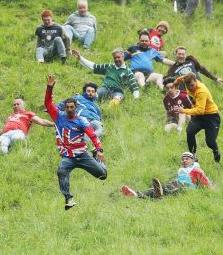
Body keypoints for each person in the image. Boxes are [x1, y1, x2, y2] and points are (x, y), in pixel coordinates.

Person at [45, 75, 107, 210]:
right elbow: (48, 103)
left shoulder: (82, 121)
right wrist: (50, 88)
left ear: (76, 107)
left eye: (71, 107)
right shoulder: (58, 116)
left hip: (82, 155)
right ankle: (68, 198)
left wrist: (99, 150)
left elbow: (92, 135)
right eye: (67, 107)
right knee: (61, 171)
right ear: (64, 108)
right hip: (68, 156)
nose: (69, 109)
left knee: (102, 175)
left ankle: (100, 162)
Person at [121, 152, 212, 199]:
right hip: (177, 183)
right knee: (164, 187)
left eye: (187, 159)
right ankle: (136, 194)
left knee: (171, 189)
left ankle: (159, 194)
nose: (184, 160)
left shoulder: (196, 170)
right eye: (183, 159)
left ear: (193, 161)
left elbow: (207, 184)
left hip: (187, 187)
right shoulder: (182, 171)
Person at [173, 73, 220, 162]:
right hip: (199, 117)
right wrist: (176, 82)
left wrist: (183, 110)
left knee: (210, 142)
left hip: (211, 116)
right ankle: (193, 156)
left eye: (192, 85)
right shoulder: (186, 80)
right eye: (188, 86)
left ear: (195, 80)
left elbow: (200, 110)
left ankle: (216, 151)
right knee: (190, 132)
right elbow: (181, 78)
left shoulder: (201, 91)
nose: (190, 88)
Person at [72, 48, 139, 106]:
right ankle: (78, 102)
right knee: (92, 94)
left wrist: (136, 100)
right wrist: (80, 58)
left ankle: (106, 112)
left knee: (116, 100)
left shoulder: (128, 71)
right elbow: (93, 66)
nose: (117, 59)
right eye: (115, 58)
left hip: (118, 92)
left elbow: (135, 88)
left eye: (118, 57)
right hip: (105, 89)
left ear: (123, 57)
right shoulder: (109, 66)